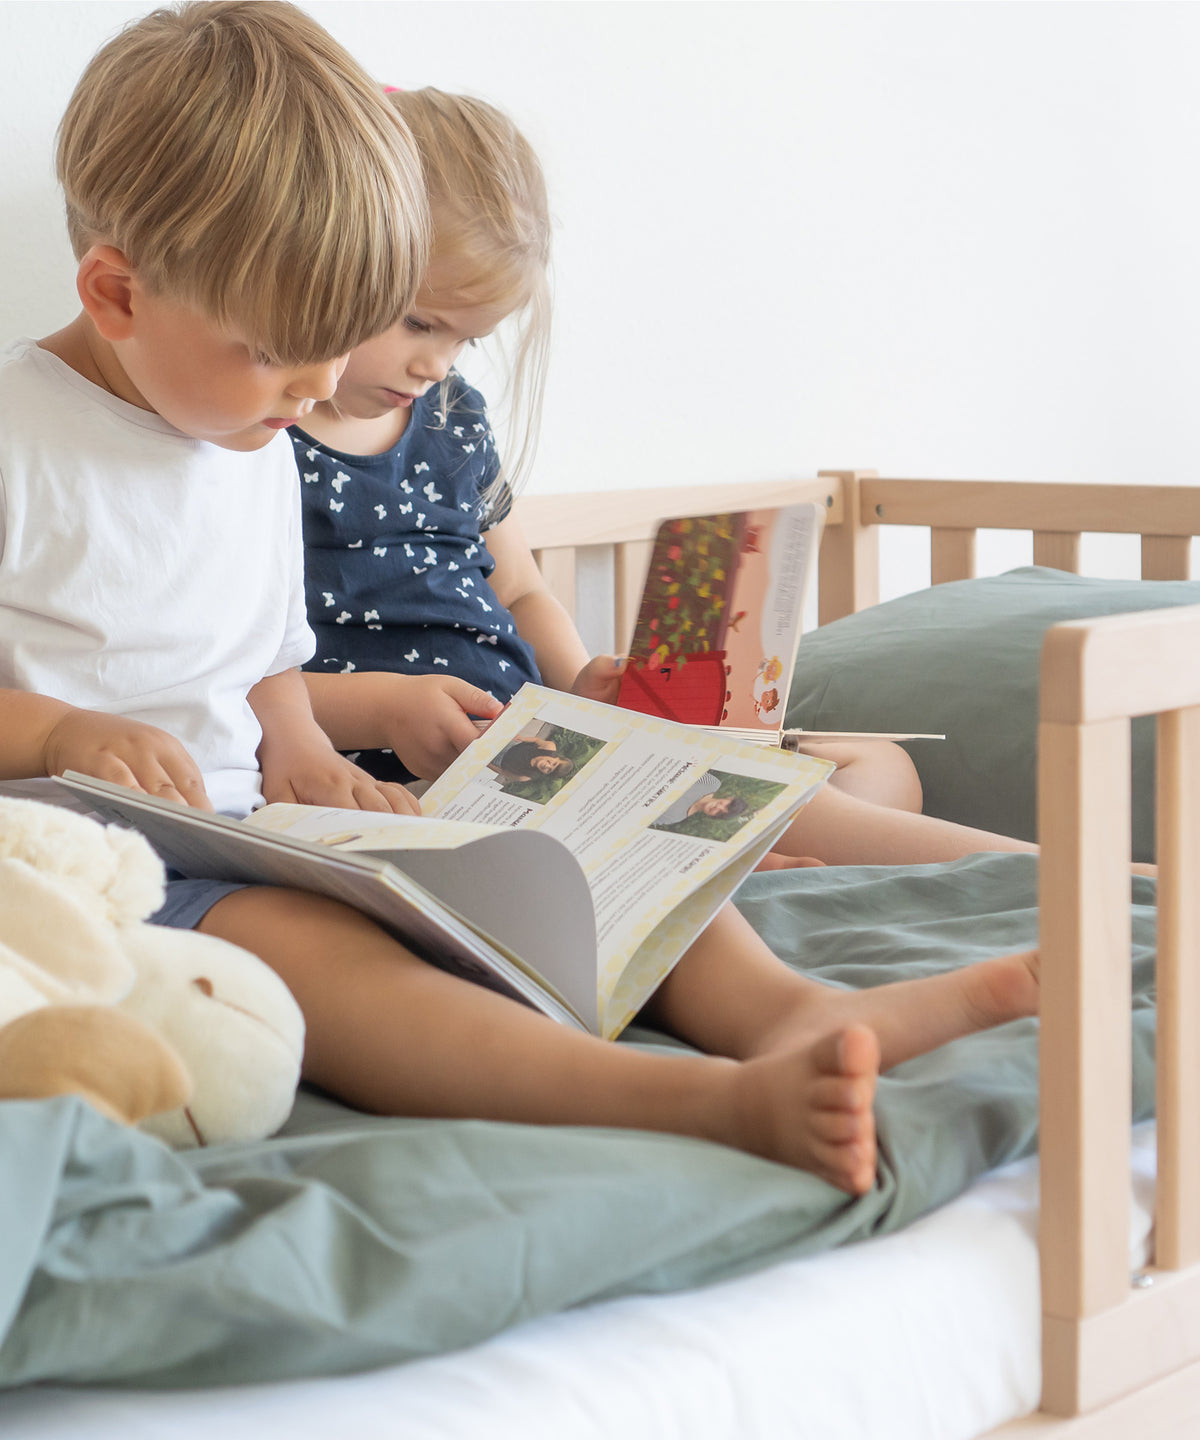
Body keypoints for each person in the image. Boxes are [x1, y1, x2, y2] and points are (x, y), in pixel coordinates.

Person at [0, 21, 1040, 1200]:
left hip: (254, 823)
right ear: (117, 291)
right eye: (282, 356)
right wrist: (56, 735)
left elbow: (258, 653)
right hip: (89, 854)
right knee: (327, 965)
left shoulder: (246, 433)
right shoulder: (25, 440)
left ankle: (788, 1014)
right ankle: (686, 1101)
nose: (318, 392)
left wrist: (293, 744)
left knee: (570, 851)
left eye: (334, 353)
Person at [293, 88, 1052, 874]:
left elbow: (517, 589)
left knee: (882, 765)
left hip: (528, 749)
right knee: (777, 803)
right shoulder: (265, 441)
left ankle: (737, 862)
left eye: (467, 341)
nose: (436, 363)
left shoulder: (451, 417)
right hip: (393, 782)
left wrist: (580, 680)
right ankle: (1049, 874)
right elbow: (233, 677)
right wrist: (382, 707)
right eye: (420, 324)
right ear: (332, 257)